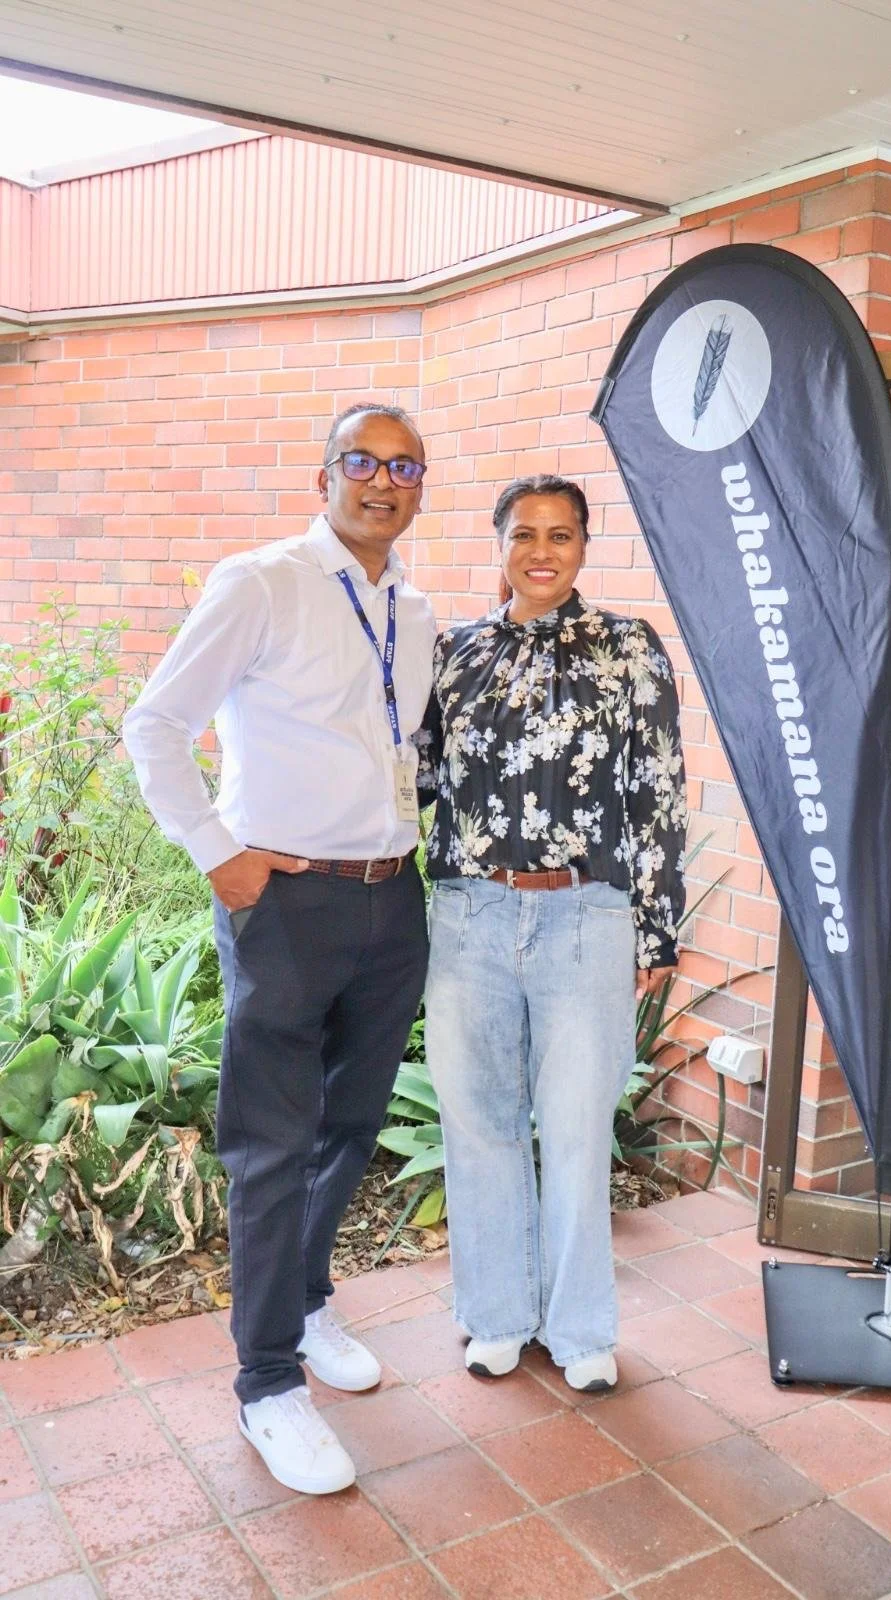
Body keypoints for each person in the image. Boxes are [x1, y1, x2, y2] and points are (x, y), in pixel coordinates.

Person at [124, 403, 435, 1494]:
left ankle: (303, 1306)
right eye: (364, 460)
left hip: (391, 904)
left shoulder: (416, 604)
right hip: (286, 903)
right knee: (269, 1140)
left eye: (405, 466)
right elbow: (154, 725)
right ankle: (266, 1383)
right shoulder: (260, 582)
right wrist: (218, 853)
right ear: (325, 475)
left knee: (349, 1124)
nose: (382, 480)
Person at [416, 474, 687, 1393]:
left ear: (582, 547)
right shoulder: (450, 655)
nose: (542, 550)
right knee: (480, 1122)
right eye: (524, 533)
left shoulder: (628, 649)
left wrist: (656, 930)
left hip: (586, 917)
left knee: (575, 1129)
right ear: (498, 543)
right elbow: (410, 783)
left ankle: (578, 1328)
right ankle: (494, 1317)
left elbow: (656, 793)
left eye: (561, 535)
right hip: (469, 914)